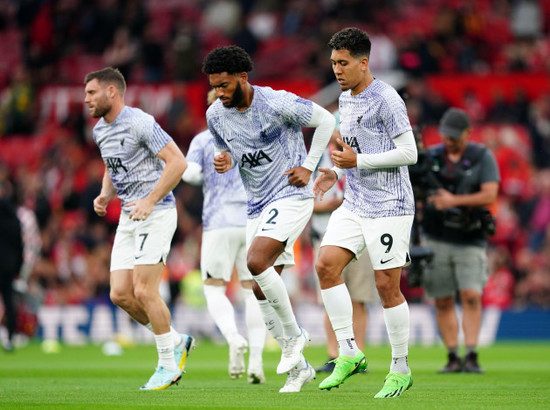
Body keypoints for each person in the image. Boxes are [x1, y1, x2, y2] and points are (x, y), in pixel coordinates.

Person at [202, 45, 335, 393]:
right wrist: (226, 160)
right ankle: (300, 370)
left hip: (291, 195)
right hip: (257, 205)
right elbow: (227, 147)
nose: (220, 93)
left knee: (254, 261)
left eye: (225, 85)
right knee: (260, 286)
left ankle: (294, 338)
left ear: (243, 77)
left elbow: (325, 120)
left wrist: (309, 166)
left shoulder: (276, 102)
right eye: (215, 86)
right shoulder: (216, 114)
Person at [313, 27, 417, 398]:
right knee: (325, 265)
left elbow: (410, 153)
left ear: (363, 62)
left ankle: (400, 368)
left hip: (390, 205)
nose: (337, 70)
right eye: (333, 64)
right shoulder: (345, 99)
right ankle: (349, 351)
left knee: (387, 286)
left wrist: (359, 160)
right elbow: (350, 152)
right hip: (355, 202)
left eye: (343, 63)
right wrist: (336, 171)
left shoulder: (387, 99)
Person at [84, 67, 194, 391]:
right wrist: (106, 193)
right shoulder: (100, 131)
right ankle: (175, 340)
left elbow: (178, 162)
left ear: (111, 92)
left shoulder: (140, 122)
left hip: (156, 211)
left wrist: (150, 199)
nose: (86, 99)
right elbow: (111, 162)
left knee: (144, 290)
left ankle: (167, 366)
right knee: (120, 293)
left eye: (91, 92)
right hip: (128, 216)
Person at [182, 89, 266, 384]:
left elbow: (189, 174)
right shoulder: (250, 135)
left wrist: (204, 171)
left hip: (218, 222)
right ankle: (256, 359)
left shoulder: (203, 139)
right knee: (252, 290)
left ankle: (233, 338)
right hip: (252, 221)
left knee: (214, 289)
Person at [421, 107, 500, 374]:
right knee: (442, 299)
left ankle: (473, 354)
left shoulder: (481, 156)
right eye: (446, 135)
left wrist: (453, 201)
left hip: (470, 236)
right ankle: (453, 355)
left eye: (455, 136)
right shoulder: (430, 157)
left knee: (471, 295)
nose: (449, 140)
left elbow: (490, 194)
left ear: (468, 133)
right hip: (436, 235)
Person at [311, 113, 377, 374]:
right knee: (330, 298)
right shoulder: (316, 159)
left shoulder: (363, 156)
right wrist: (328, 205)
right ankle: (334, 354)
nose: (339, 134)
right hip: (326, 235)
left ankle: (357, 354)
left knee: (359, 299)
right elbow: (305, 200)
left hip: (361, 234)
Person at [0, 179, 23, 352]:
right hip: (8, 265)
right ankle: (10, 337)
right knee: (9, 301)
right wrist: (18, 268)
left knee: (8, 300)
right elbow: (19, 244)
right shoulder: (13, 215)